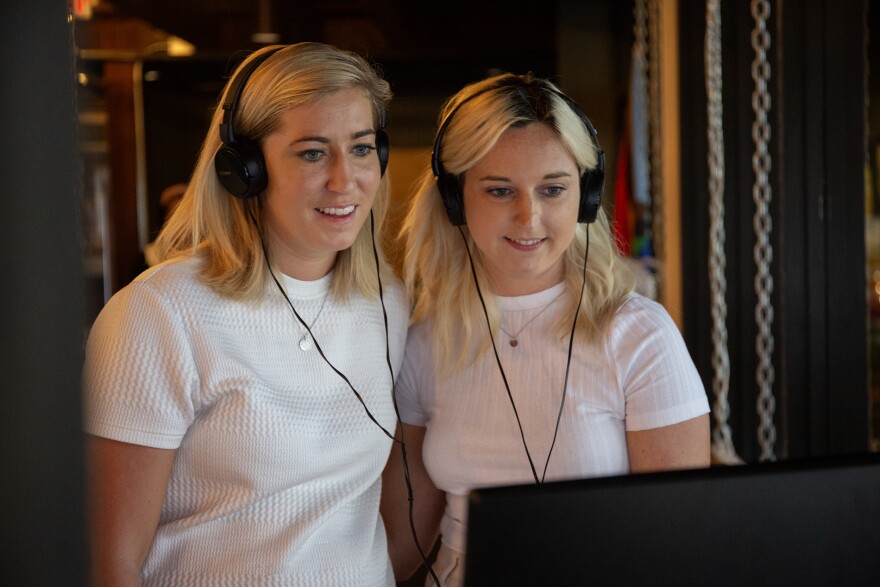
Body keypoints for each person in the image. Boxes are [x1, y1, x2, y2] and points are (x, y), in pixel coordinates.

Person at [84, 42, 407, 586]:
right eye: (311, 153)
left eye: (361, 148)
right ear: (244, 169)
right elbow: (110, 562)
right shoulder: (160, 313)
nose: (344, 179)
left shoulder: (387, 301)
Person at [381, 73, 710, 586]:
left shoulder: (639, 335)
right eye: (499, 190)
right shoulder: (424, 342)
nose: (528, 216)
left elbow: (679, 539)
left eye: (553, 188)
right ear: (455, 198)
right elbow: (402, 543)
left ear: (586, 196)